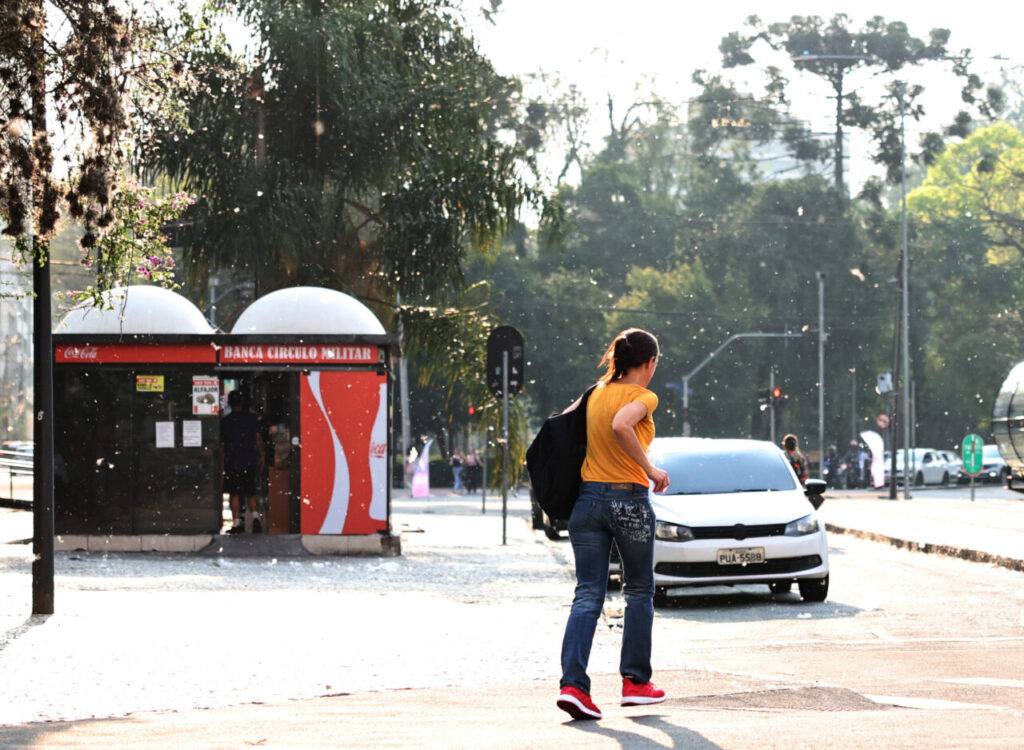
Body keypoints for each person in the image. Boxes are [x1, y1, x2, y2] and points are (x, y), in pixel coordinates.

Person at [556, 328, 671, 722]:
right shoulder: (644, 396)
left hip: (587, 503)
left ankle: (573, 686)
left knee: (588, 594)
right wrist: (650, 468)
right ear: (650, 362)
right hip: (629, 502)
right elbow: (623, 424)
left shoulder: (595, 393)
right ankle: (635, 683)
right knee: (639, 590)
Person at [220, 390, 264, 534]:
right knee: (250, 491)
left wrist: (222, 462)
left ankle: (237, 522)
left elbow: (222, 445)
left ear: (230, 404)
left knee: (235, 493)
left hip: (233, 461)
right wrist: (261, 454)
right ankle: (256, 517)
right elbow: (258, 437)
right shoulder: (251, 419)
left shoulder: (226, 421)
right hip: (249, 460)